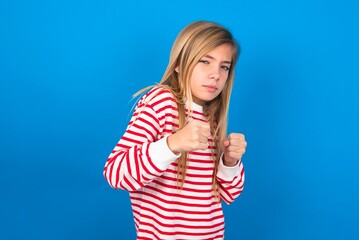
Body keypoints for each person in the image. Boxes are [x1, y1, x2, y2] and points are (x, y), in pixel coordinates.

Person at [103, 20, 247, 240]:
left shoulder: (212, 118)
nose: (215, 74)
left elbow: (228, 194)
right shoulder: (161, 102)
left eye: (224, 66)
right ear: (179, 64)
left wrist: (230, 162)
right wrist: (173, 144)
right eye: (204, 61)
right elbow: (115, 173)